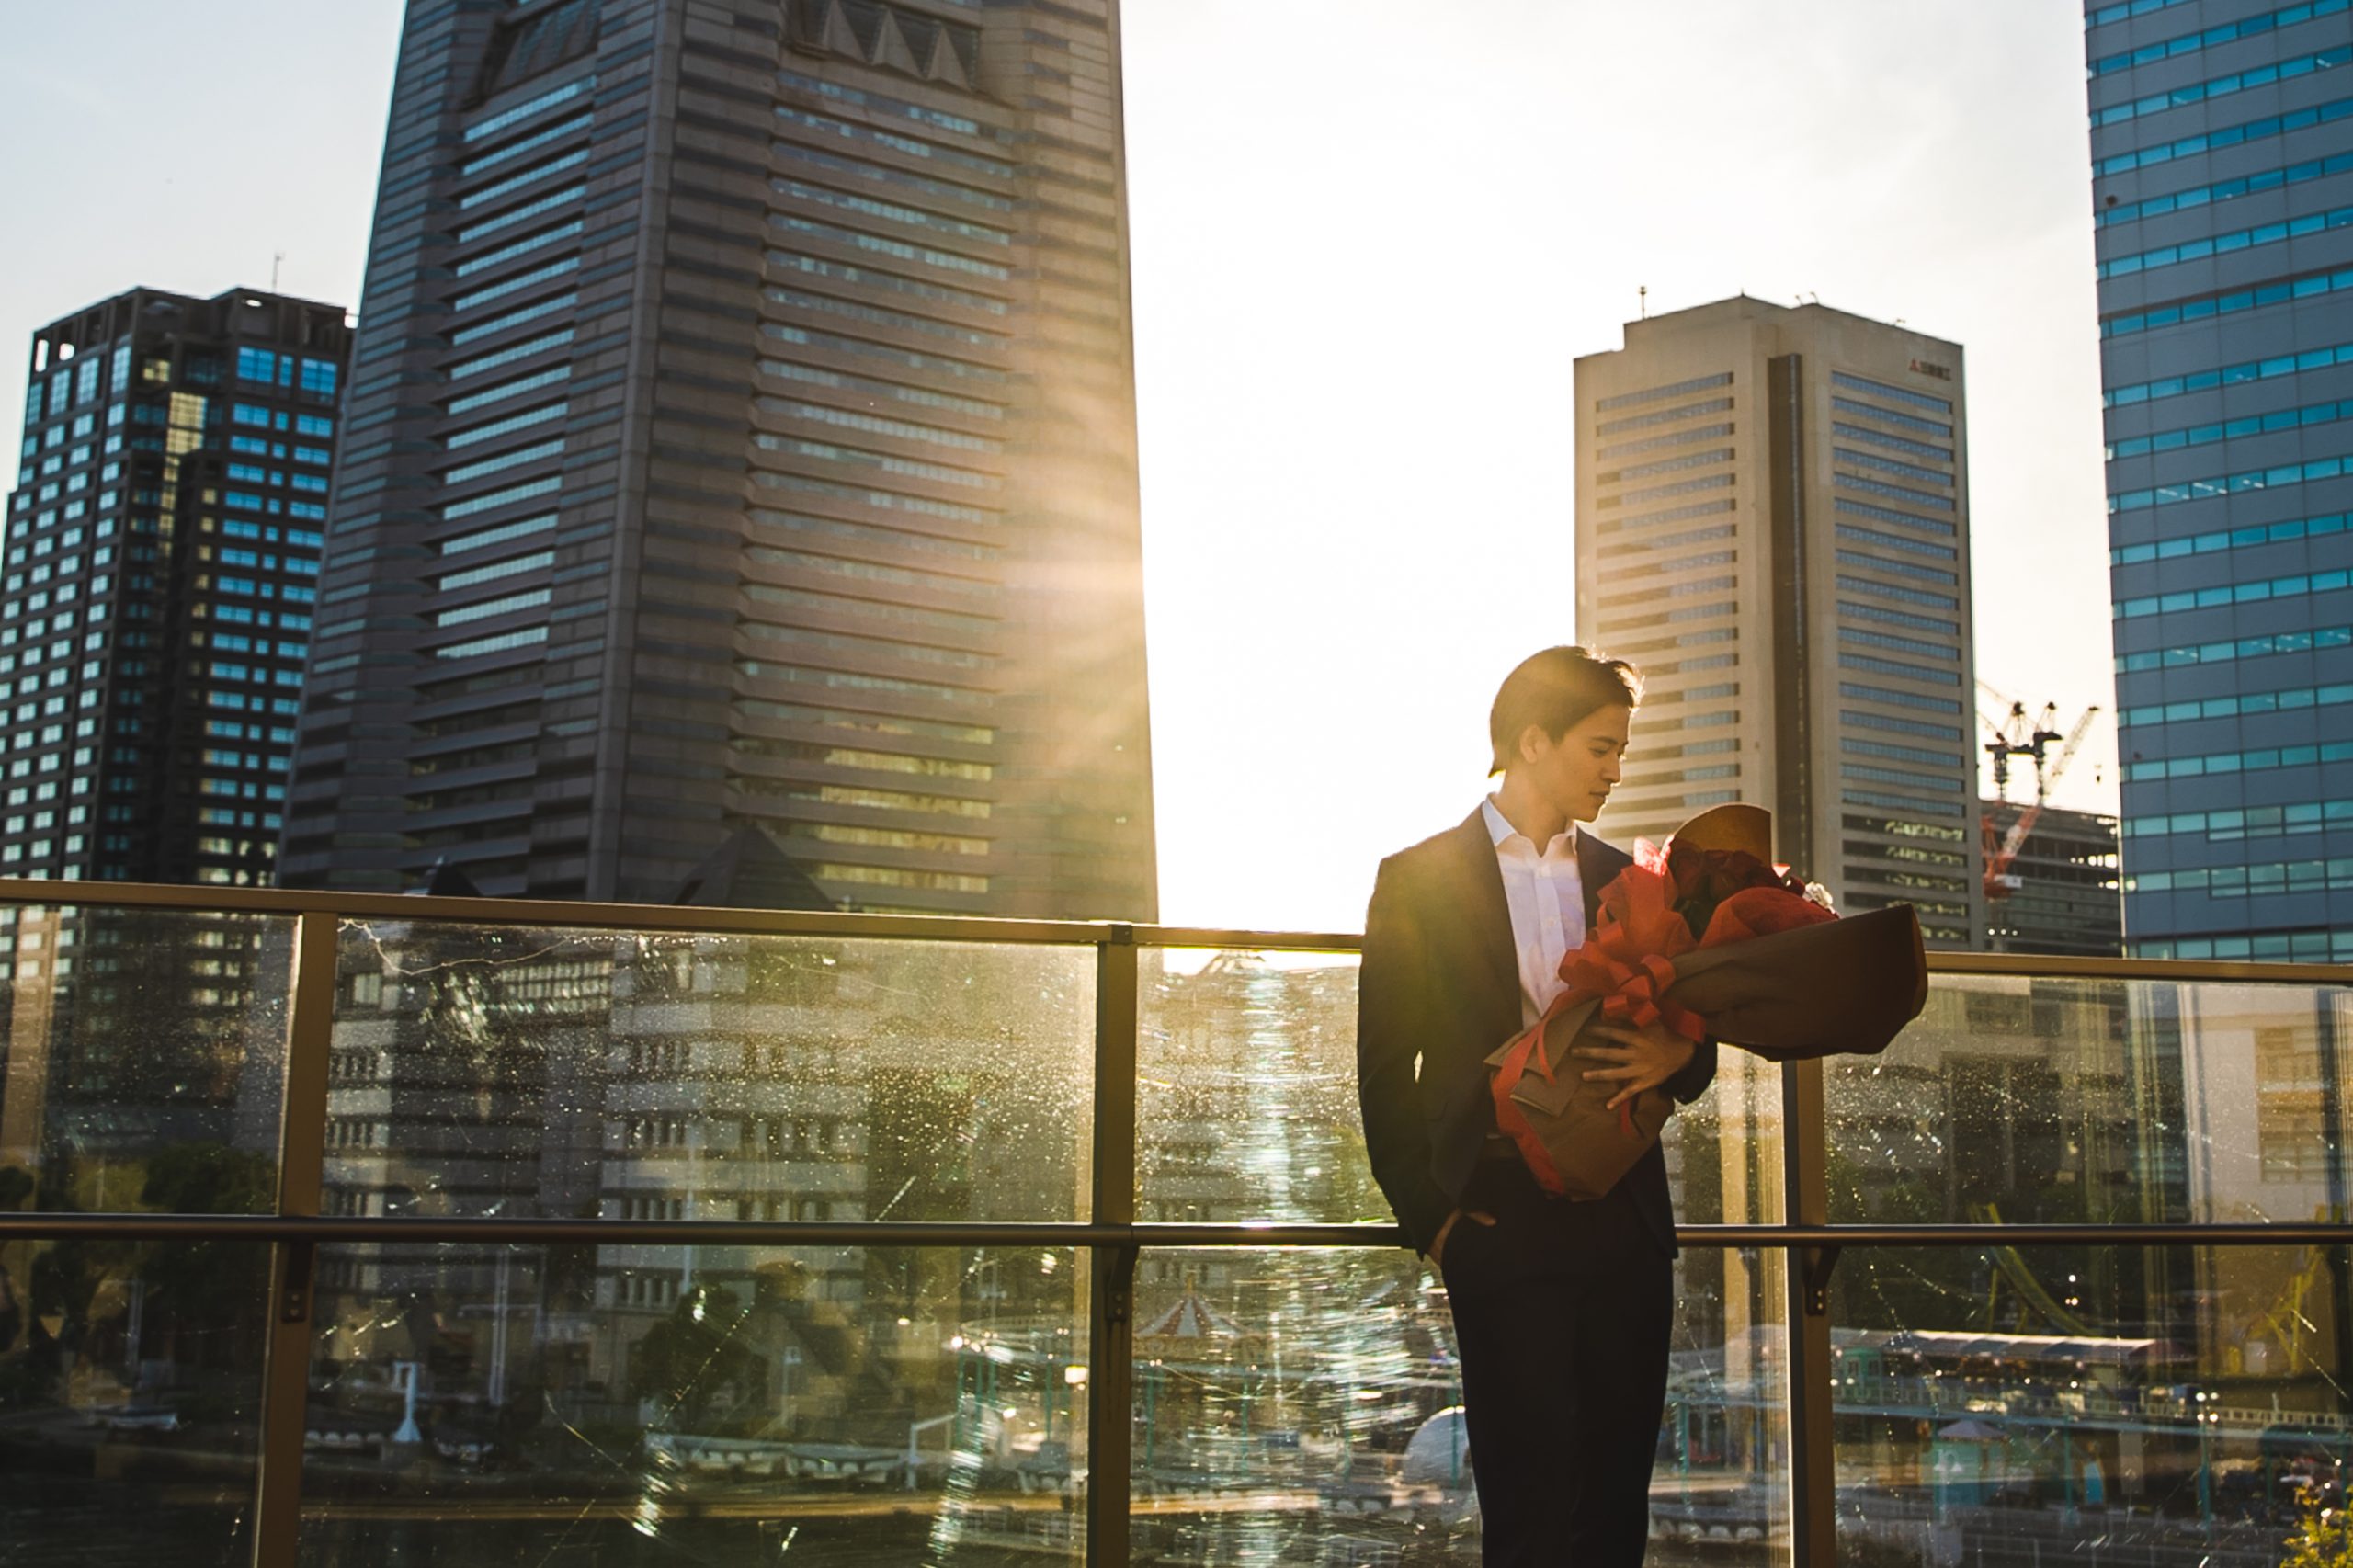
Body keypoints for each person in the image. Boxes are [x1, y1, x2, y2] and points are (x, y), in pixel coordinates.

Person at [1356, 645, 1717, 1566]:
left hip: (1625, 1221)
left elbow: (1695, 1040)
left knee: (1612, 1506)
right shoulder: (1417, 877)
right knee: (1523, 1507)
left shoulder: (1633, 878)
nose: (1616, 767)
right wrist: (1434, 1221)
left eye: (1621, 748)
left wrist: (1680, 1051)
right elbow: (1383, 1067)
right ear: (1530, 740)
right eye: (1601, 745)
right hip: (1497, 1218)